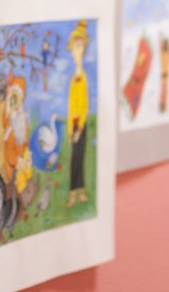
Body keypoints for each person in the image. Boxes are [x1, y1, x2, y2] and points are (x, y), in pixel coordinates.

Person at [67, 20, 91, 207]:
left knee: (79, 158)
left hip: (81, 125)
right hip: (74, 124)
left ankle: (80, 191)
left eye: (80, 47)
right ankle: (73, 193)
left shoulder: (82, 77)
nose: (77, 51)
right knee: (73, 159)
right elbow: (71, 106)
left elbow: (84, 105)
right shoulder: (73, 78)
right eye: (75, 47)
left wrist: (80, 126)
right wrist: (70, 129)